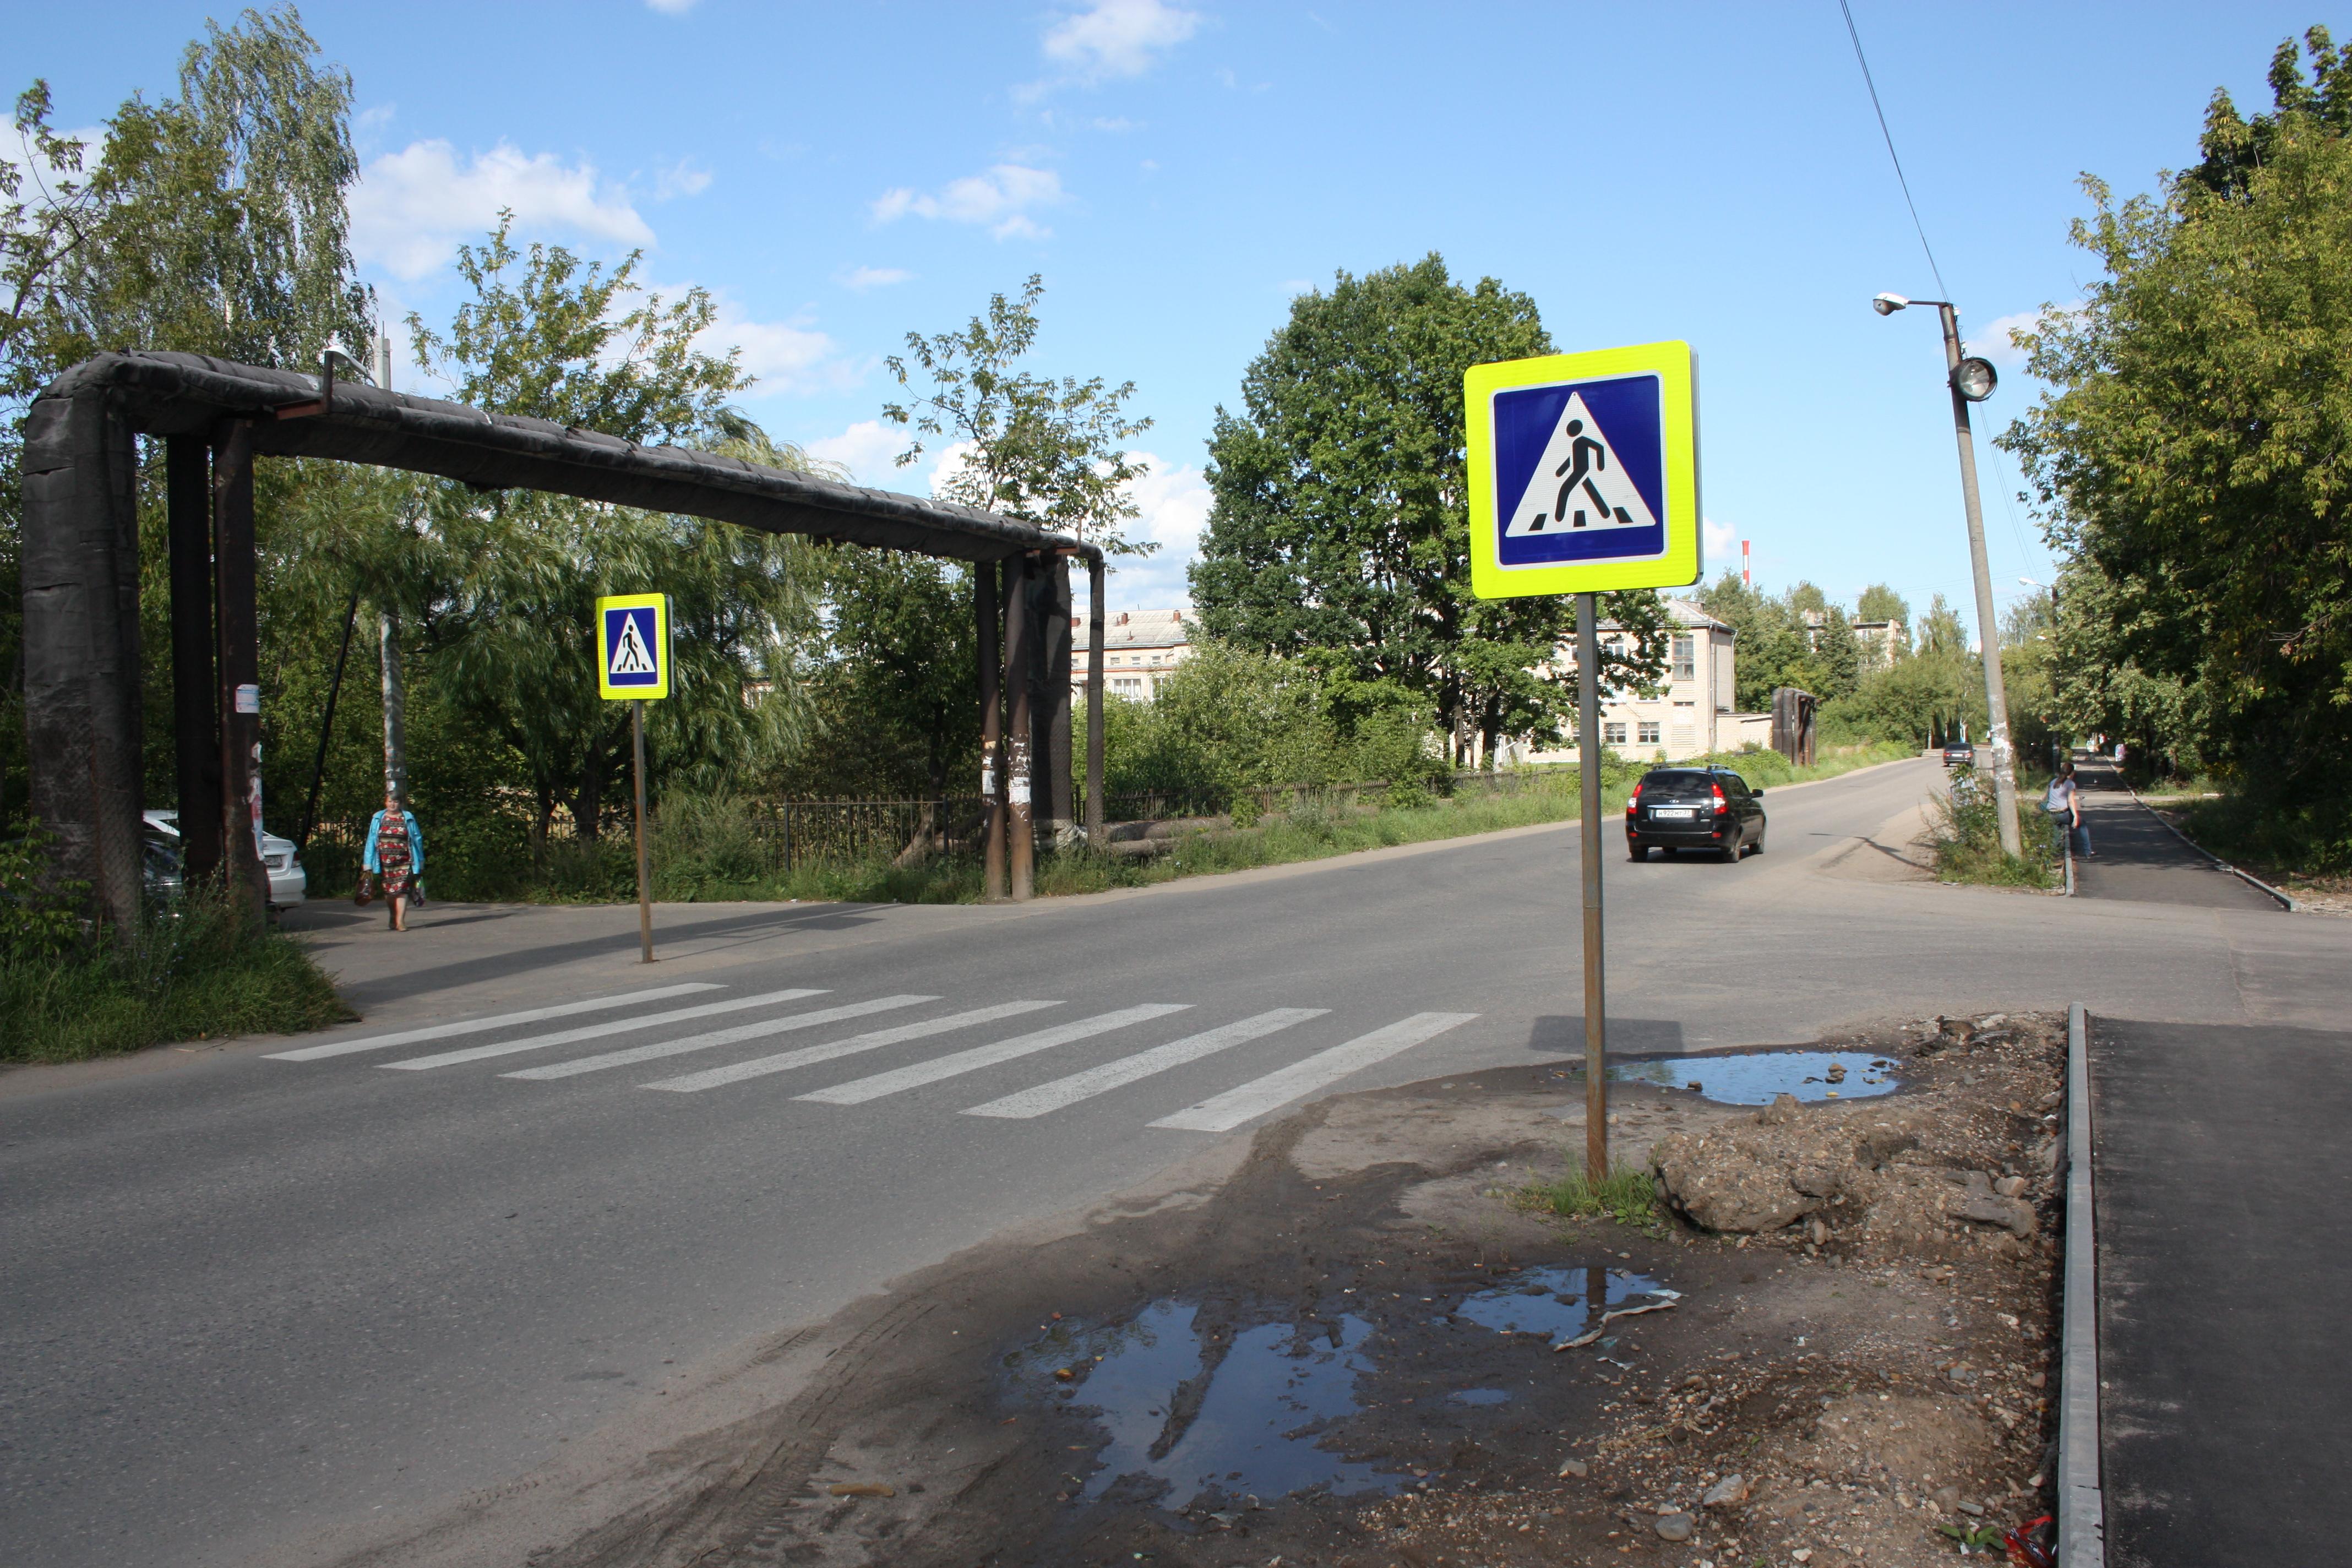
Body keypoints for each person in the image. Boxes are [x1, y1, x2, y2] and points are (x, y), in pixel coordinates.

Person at [362, 790, 424, 931]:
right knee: (390, 893)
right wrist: (368, 863)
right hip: (384, 862)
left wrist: (420, 860)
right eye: (390, 801)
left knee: (403, 890)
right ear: (386, 802)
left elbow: (417, 839)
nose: (393, 804)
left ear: (400, 804)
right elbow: (371, 841)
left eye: (396, 802)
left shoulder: (408, 818)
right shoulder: (379, 818)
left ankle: (400, 921)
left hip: (405, 860)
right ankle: (393, 915)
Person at [2043, 760, 2090, 859]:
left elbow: (2045, 798)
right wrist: (2076, 817)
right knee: (2082, 824)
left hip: (2051, 814)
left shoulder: (2053, 782)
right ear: (2072, 773)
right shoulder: (2070, 784)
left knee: (2055, 838)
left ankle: (2048, 859)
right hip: (2062, 814)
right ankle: (2088, 852)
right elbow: (2070, 801)